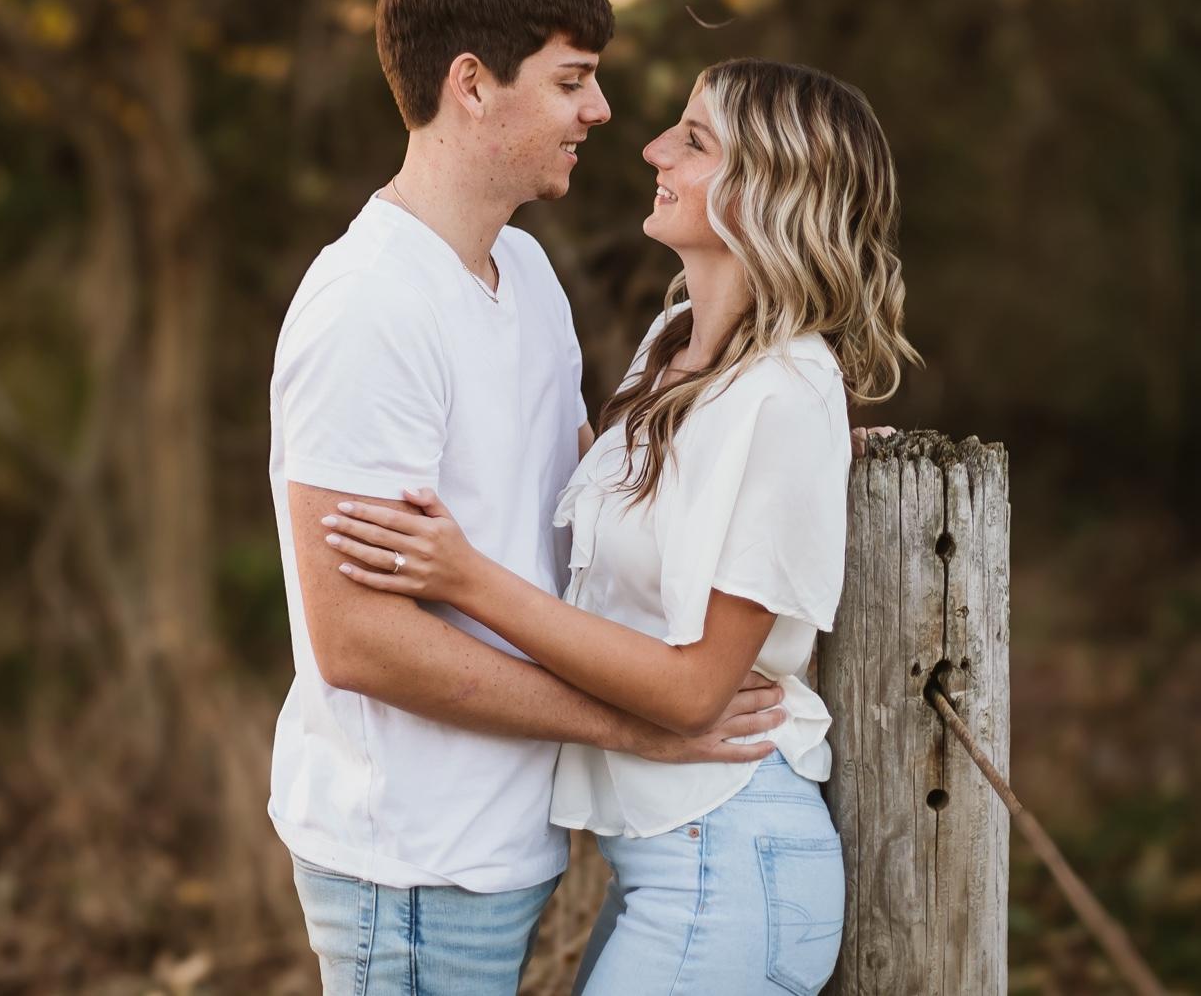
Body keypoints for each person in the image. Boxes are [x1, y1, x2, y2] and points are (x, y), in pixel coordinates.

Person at [267, 0, 793, 996]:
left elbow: (598, 489)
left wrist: (780, 435)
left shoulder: (524, 268)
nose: (601, 111)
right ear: (471, 84)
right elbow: (356, 640)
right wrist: (637, 726)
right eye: (571, 80)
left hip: (505, 841)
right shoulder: (370, 305)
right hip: (411, 863)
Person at [328, 56, 922, 993]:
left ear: (767, 188)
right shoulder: (671, 346)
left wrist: (464, 579)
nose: (652, 149)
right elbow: (608, 513)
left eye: (694, 141)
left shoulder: (790, 391)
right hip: (671, 864)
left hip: (729, 865)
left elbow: (694, 694)